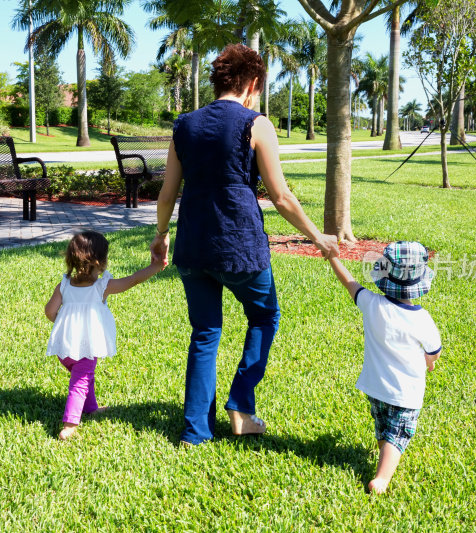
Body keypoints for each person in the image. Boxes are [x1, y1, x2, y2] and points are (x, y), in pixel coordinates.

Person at [150, 43, 340, 446]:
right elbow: (282, 197)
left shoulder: (184, 125)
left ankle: (195, 432)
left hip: (192, 245)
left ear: (219, 80)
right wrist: (318, 237)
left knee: (205, 332)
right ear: (252, 82)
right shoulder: (256, 123)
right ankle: (240, 404)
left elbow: (167, 195)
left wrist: (161, 235)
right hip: (239, 245)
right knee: (263, 317)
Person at [327, 241, 443, 493]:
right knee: (398, 435)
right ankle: (381, 478)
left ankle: (383, 455)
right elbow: (434, 352)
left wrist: (334, 258)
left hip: (375, 386)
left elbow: (349, 283)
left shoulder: (371, 304)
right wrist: (429, 362)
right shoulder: (422, 319)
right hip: (405, 393)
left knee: (383, 425)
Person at [45, 230, 164, 441]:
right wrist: (155, 266)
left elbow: (49, 312)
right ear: (100, 262)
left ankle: (91, 408)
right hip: (86, 346)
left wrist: (65, 324)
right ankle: (70, 424)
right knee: (80, 382)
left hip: (64, 348)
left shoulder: (63, 285)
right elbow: (133, 280)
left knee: (83, 376)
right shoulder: (102, 286)